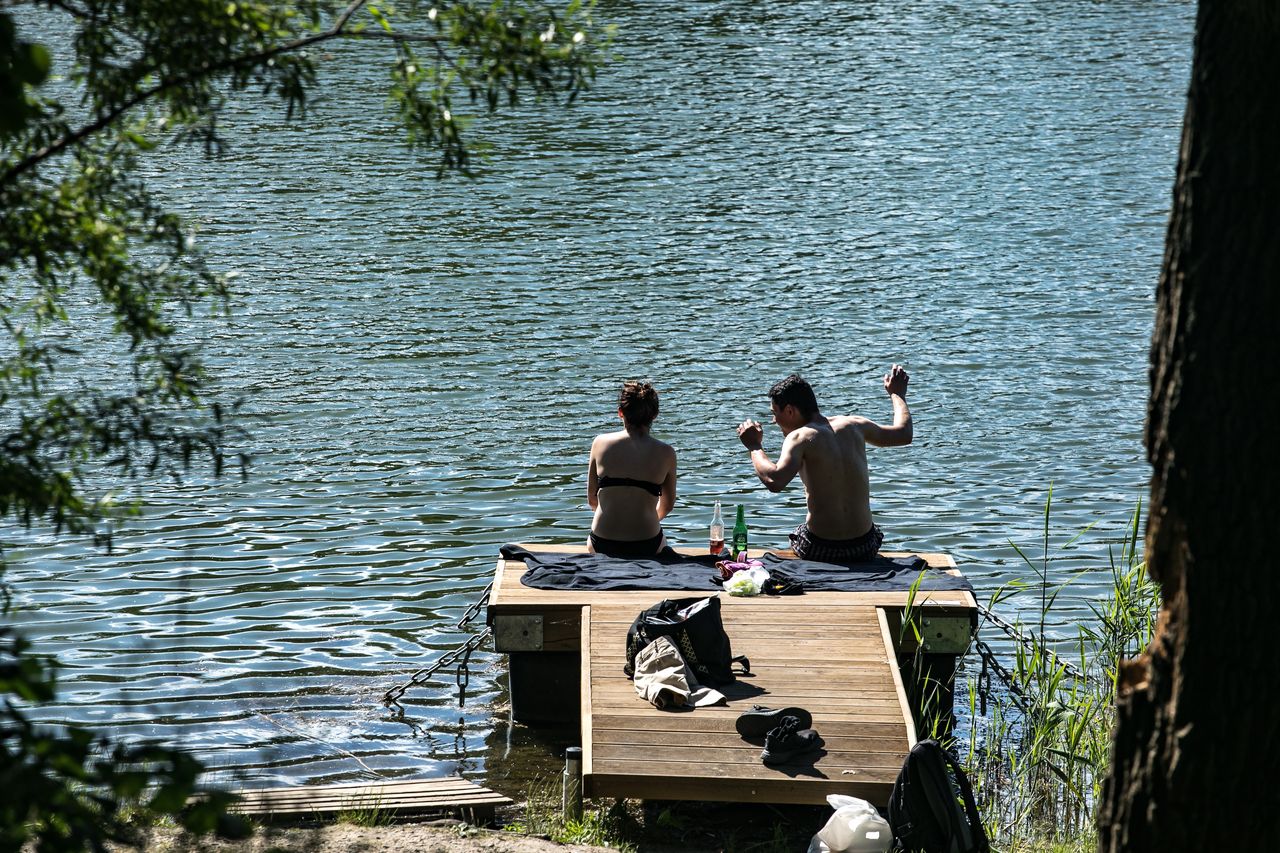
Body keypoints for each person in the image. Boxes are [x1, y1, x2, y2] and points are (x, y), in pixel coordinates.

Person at [735, 367, 912, 562]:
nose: (773, 420)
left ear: (790, 410)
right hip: (864, 546)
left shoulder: (799, 437)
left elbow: (774, 480)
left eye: (775, 413)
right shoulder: (855, 425)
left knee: (797, 534)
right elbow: (903, 434)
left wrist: (753, 445)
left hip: (821, 548)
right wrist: (897, 394)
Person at [587, 381, 677, 557]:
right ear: (655, 415)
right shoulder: (666, 453)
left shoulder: (599, 443)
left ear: (621, 413)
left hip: (602, 543)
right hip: (647, 544)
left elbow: (592, 499)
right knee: (664, 542)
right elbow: (667, 505)